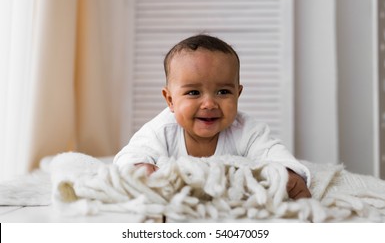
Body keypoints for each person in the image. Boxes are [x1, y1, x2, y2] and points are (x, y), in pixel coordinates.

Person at [114, 34, 311, 200]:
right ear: (170, 100)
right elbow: (128, 157)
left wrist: (286, 172)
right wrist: (140, 168)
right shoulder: (161, 130)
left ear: (238, 94)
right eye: (193, 93)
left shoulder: (247, 130)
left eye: (223, 91)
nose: (209, 104)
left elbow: (273, 153)